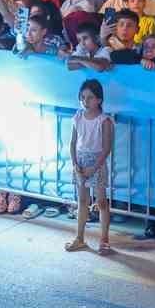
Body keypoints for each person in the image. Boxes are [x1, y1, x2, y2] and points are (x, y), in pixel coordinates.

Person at [65, 79, 114, 257]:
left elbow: (107, 148)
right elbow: (72, 143)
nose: (86, 101)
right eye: (83, 97)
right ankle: (79, 237)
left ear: (99, 100)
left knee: (101, 202)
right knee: (82, 201)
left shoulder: (105, 121)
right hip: (80, 162)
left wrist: (94, 168)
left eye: (90, 98)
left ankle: (104, 239)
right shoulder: (77, 117)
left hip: (97, 163)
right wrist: (75, 163)